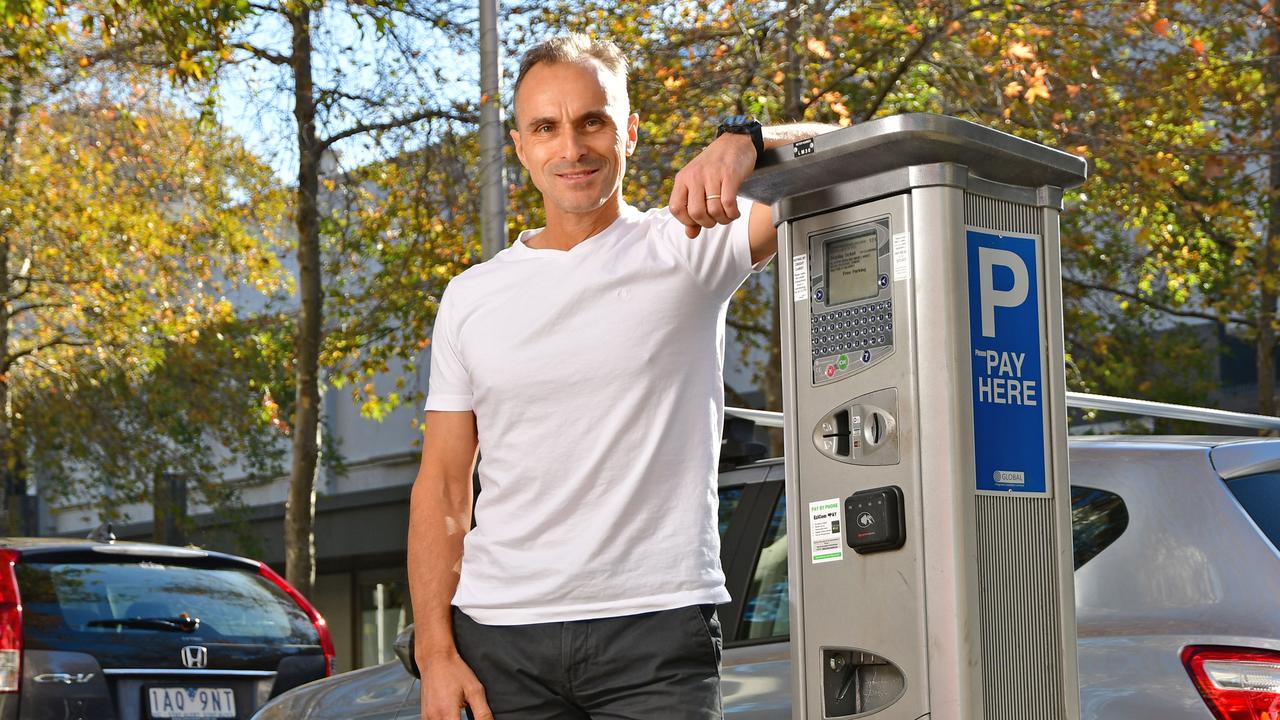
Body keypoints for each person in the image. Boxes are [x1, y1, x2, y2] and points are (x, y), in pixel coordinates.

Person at [408, 33, 832, 720]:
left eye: (592, 122)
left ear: (628, 132)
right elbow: (445, 488)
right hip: (498, 643)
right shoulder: (470, 296)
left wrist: (746, 141)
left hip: (655, 633)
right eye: (546, 127)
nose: (570, 148)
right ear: (521, 146)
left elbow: (852, 157)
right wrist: (435, 651)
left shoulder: (689, 243)